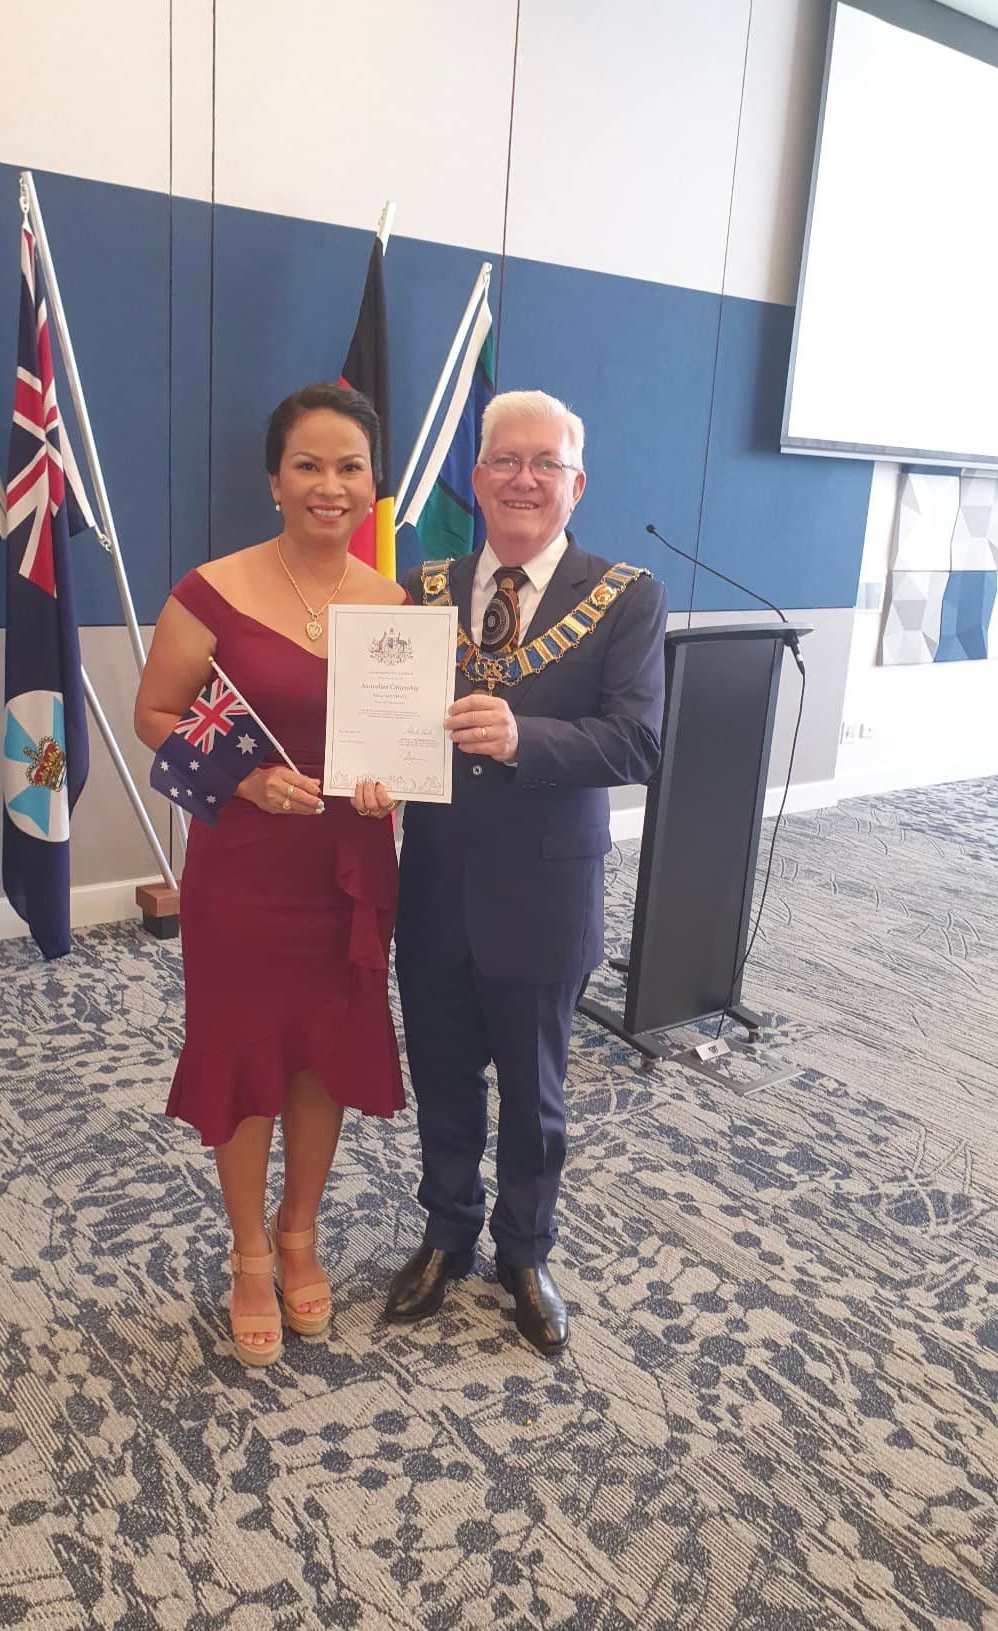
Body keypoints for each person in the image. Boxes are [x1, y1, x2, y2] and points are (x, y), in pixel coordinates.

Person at [385, 389, 668, 1355]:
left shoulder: (626, 595)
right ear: (477, 478)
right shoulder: (420, 588)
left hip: (545, 892)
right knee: (444, 1072)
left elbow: (636, 742)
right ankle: (448, 1229)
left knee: (537, 1093)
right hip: (431, 884)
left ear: (575, 484)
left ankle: (525, 1250)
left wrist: (523, 735)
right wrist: (368, 766)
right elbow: (387, 719)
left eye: (545, 463)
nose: (523, 479)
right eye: (506, 460)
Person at [135, 383, 405, 1366]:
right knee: (246, 1055)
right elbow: (155, 715)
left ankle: (301, 1232)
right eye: (309, 465)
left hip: (349, 866)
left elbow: (404, 743)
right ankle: (249, 1251)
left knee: (322, 1053)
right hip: (244, 870)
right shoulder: (212, 591)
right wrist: (243, 779)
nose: (330, 485)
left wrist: (393, 789)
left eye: (350, 467)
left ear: (373, 484)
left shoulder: (399, 604)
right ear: (274, 480)